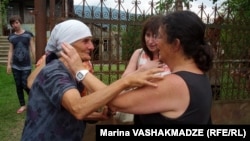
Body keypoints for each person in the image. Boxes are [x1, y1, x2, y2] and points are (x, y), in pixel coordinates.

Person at [62, 10, 214, 125]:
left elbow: (115, 102)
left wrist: (80, 70)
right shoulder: (200, 77)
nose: (156, 43)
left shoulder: (176, 84)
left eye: (160, 36)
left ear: (176, 44)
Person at [21, 19, 163, 141]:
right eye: (86, 41)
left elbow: (69, 110)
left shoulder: (70, 71)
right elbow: (78, 108)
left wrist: (99, 115)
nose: (92, 46)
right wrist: (126, 81)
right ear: (67, 45)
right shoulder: (55, 72)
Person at [121, 15, 171, 124]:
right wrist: (144, 69)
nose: (151, 41)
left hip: (164, 113)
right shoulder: (138, 53)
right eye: (148, 35)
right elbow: (124, 80)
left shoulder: (170, 57)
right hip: (140, 110)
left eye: (155, 36)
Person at [6, 15, 35, 114]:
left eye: (16, 22)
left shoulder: (28, 35)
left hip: (26, 64)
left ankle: (34, 99)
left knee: (25, 84)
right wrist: (8, 64)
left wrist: (36, 58)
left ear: (20, 22)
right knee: (18, 85)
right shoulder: (11, 37)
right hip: (15, 65)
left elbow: (32, 47)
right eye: (13, 23)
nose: (15, 25)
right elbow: (10, 51)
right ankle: (23, 105)